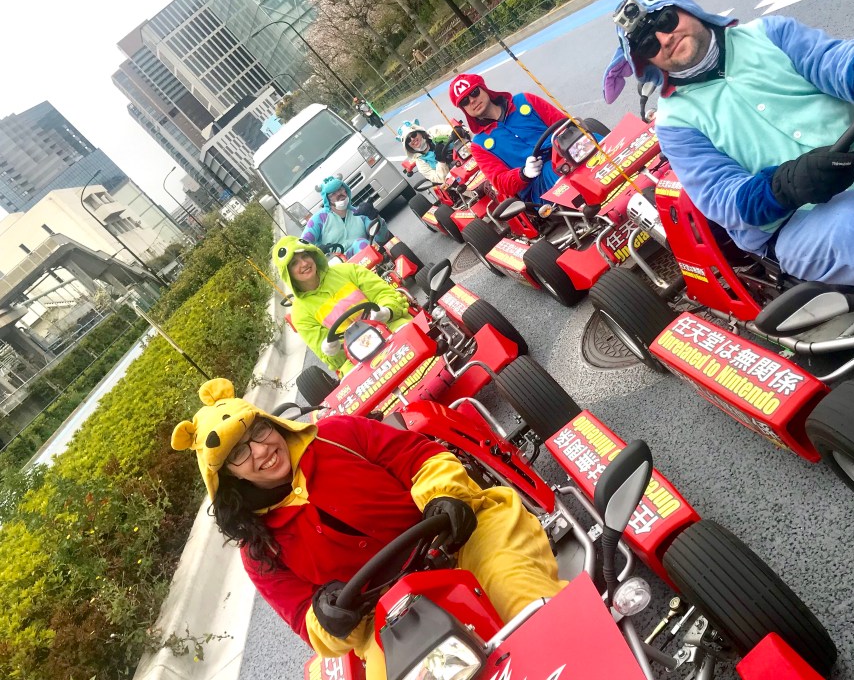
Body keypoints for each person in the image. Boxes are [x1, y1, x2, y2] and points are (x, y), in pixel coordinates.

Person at [171, 378, 565, 680]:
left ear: (270, 423)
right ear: (227, 475)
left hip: (460, 538)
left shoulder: (337, 435)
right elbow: (305, 621)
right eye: (239, 452)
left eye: (257, 431)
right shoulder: (259, 552)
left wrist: (443, 496)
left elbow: (420, 457)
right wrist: (327, 616)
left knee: (524, 603)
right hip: (388, 615)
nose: (260, 450)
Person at [601, 0, 854, 298]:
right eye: (648, 43)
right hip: (800, 221)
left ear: (686, 8)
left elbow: (831, 59)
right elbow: (723, 198)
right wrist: (783, 186)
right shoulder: (674, 124)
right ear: (645, 60)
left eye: (665, 19)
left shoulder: (770, 33)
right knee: (851, 225)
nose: (664, 38)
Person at [275, 236, 408, 373]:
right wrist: (331, 350)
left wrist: (387, 310)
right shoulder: (300, 314)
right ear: (287, 273)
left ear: (313, 255)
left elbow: (383, 293)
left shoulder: (348, 270)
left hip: (389, 326)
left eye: (305, 256)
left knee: (410, 332)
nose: (304, 263)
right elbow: (328, 354)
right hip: (353, 357)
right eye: (294, 263)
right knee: (352, 379)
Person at [449, 72, 567, 203]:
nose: (472, 100)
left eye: (474, 92)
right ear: (464, 109)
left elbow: (564, 124)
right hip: (537, 185)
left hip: (566, 155)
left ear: (484, 88)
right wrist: (523, 173)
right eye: (465, 101)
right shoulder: (478, 146)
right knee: (556, 170)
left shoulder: (525, 100)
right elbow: (500, 181)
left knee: (585, 144)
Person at [300, 177, 387, 259]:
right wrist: (317, 253)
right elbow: (303, 244)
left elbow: (382, 239)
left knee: (362, 243)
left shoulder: (360, 213)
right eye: (333, 194)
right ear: (327, 199)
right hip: (336, 264)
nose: (339, 194)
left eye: (340, 189)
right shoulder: (319, 219)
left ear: (346, 190)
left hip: (366, 260)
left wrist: (375, 216)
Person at [395, 119, 458, 185]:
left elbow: (455, 130)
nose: (412, 139)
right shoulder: (421, 163)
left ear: (419, 132)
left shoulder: (435, 131)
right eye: (408, 140)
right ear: (408, 145)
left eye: (413, 135)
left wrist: (458, 131)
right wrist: (441, 161)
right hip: (454, 179)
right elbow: (440, 179)